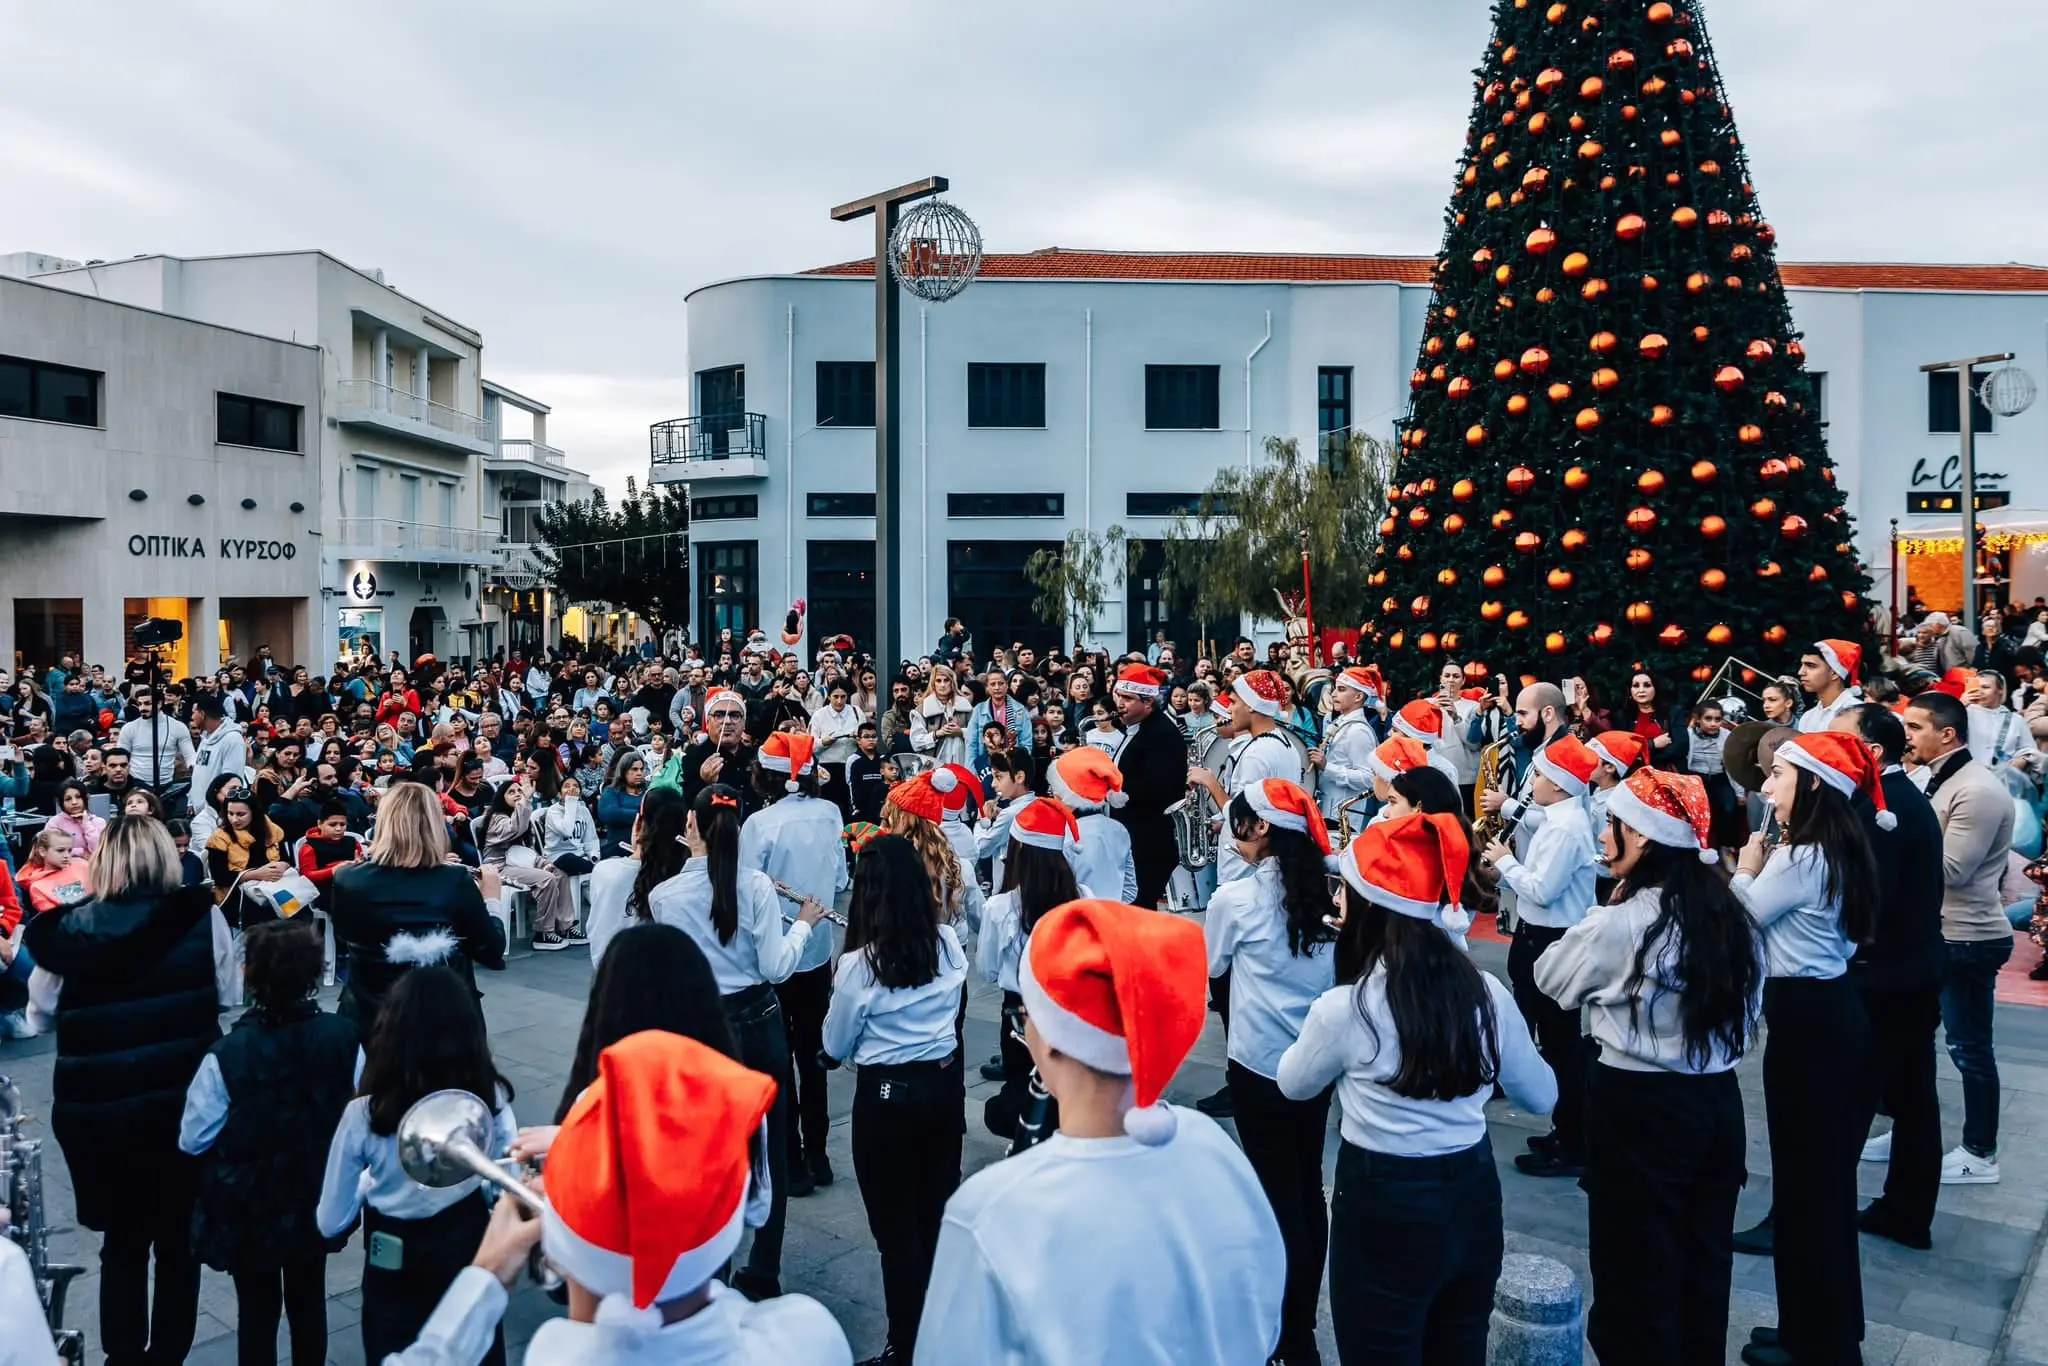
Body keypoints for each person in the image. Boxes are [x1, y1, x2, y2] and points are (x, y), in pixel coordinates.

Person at [917, 898, 1285, 1365]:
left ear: (1049, 1044)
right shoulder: (1218, 1152)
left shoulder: (989, 1212)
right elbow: (1264, 1311)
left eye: (1026, 1020)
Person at [1277, 813, 1553, 1364]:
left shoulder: (1346, 1007)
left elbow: (1293, 1085)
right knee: (1459, 1346)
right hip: (1471, 1190)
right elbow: (1542, 1096)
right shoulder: (1487, 993)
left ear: (1369, 909)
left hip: (1382, 1195)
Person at [1533, 769, 1765, 1366]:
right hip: (1715, 1102)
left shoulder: (1622, 924)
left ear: (1641, 837)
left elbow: (1551, 978)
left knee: (1634, 1262)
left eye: (1613, 825)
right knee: (1703, 1257)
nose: (1604, 838)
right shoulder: (1733, 916)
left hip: (1638, 1102)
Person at [24, 816, 240, 1366]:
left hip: (99, 1107)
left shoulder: (67, 931)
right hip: (182, 1100)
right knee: (177, 1243)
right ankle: (168, 1355)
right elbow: (226, 993)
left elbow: (41, 1015)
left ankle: (122, 1357)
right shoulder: (200, 917)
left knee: (122, 1243)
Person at [642, 783, 829, 1301]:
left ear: (691, 828)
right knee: (770, 1150)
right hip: (758, 1019)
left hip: (701, 1025)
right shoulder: (755, 887)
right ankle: (764, 1268)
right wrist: (804, 927)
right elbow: (775, 966)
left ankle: (712, 1269)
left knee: (707, 1154)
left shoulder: (665, 896)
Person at [1730, 732, 1880, 1366]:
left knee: (1808, 1187)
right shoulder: (1836, 849)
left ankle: (1817, 1343)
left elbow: (1744, 920)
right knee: (1817, 1186)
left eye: (1780, 776)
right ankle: (1821, 1327)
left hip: (1810, 1028)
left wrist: (1743, 868)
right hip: (1829, 1019)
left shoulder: (1802, 859)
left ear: (1814, 784)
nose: (1767, 786)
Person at [317, 965, 516, 1366]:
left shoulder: (365, 1114)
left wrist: (368, 1184)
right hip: (468, 1250)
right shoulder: (489, 1098)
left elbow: (330, 1219)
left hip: (394, 1263)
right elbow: (506, 1185)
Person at [181, 919, 359, 1366]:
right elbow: (363, 1108)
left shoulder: (227, 1053)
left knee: (257, 1308)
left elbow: (194, 1136)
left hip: (248, 1200)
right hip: (316, 1190)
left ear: (251, 975)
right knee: (308, 1297)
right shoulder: (344, 1037)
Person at [1202, 778, 1336, 1366]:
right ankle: (1300, 1323)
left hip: (1258, 1066)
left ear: (1259, 828)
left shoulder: (1235, 898)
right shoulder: (1329, 892)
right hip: (1317, 1063)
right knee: (1308, 1184)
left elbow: (1212, 964)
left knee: (1277, 1196)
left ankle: (1288, 1335)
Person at [821, 835, 968, 1365]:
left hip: (887, 1098)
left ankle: (905, 1345)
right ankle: (942, 1328)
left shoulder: (860, 965)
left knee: (896, 1232)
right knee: (935, 1216)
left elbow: (834, 1044)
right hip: (945, 1089)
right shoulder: (947, 942)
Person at [1832, 704, 1947, 1250]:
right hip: (1910, 973)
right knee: (1913, 1098)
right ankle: (1906, 1210)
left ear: (1871, 753)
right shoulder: (1891, 801)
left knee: (1851, 1101)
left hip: (1889, 980)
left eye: (1842, 741)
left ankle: (1818, 1213)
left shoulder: (1886, 809)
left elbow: (1867, 905)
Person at [1902, 688, 2017, 1185]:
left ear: (1946, 734)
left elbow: (1951, 869)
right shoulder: (1932, 777)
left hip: (1968, 936)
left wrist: (1886, 854)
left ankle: (1980, 1151)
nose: (1905, 737)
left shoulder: (1979, 789)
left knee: (1969, 1048)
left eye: (1914, 728)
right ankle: (1909, 1131)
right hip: (1936, 932)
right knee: (1911, 1041)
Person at [1482, 733, 1602, 1178]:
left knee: (1560, 1045)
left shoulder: (1566, 827)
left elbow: (1542, 890)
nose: (1534, 781)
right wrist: (1510, 810)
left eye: (1542, 775)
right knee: (1555, 1040)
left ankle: (1572, 1140)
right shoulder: (1560, 814)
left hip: (1551, 939)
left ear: (1559, 784)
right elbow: (1535, 820)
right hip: (1541, 936)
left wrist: (1504, 862)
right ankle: (1564, 1131)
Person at [742, 733, 852, 1198]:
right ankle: (819, 1154)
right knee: (813, 1053)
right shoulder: (830, 813)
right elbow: (842, 875)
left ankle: (791, 1160)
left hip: (775, 950)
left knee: (779, 1056)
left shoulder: (759, 824)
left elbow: (747, 888)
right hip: (819, 948)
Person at [325, 781, 509, 1027]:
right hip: (444, 1015)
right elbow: (491, 951)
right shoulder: (454, 881)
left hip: (370, 1012)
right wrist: (492, 899)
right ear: (433, 825)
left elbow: (345, 933)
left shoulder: (348, 878)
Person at [1109, 664, 1188, 911]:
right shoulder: (1138, 728)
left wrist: (1119, 793)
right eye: (1119, 696)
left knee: (1139, 906)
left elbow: (1160, 787)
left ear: (1148, 703)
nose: (1120, 704)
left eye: (1128, 699)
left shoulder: (1160, 734)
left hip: (1149, 840)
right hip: (1135, 834)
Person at [479, 774, 582, 952]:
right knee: (547, 879)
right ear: (502, 798)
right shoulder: (497, 818)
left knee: (559, 873)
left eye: (519, 790)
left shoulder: (521, 815)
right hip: (499, 868)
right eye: (511, 792)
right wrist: (525, 799)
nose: (517, 794)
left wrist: (543, 863)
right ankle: (543, 932)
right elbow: (514, 828)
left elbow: (527, 852)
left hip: (518, 865)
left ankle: (565, 926)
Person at [1049, 746, 1138, 904]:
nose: (1053, 797)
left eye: (1054, 791)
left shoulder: (1064, 837)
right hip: (1112, 919)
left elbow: (1055, 896)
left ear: (1068, 796)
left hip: (1076, 922)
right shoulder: (1119, 830)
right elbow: (1130, 891)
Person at [1313, 666, 1382, 829]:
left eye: (1341, 690)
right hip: (1329, 810)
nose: (1334, 695)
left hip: (1344, 818)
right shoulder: (1341, 723)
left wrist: (1326, 767)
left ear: (1358, 696)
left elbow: (1368, 779)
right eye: (1335, 689)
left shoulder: (1358, 731)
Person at [204, 792, 291, 916]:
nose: (234, 819)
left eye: (241, 814)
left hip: (273, 888)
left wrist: (283, 865)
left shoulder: (271, 830)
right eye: (230, 813)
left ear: (254, 813)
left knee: (295, 909)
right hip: (237, 896)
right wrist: (253, 875)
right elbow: (220, 877)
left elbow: (287, 860)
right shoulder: (219, 838)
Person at [809, 681, 865, 820]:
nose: (839, 701)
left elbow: (866, 734)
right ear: (829, 696)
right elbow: (810, 744)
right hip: (828, 767)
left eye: (843, 697)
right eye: (835, 696)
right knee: (829, 804)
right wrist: (823, 742)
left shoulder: (856, 712)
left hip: (851, 765)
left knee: (851, 805)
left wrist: (858, 737)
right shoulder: (819, 715)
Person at [1795, 639, 1866, 734]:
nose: (1801, 672)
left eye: (1811, 666)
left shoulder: (1858, 713)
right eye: (1802, 665)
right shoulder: (1807, 717)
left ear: (1834, 673)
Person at [539, 774, 602, 876]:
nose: (572, 788)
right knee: (569, 858)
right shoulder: (553, 811)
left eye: (575, 786)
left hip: (580, 855)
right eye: (567, 786)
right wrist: (571, 802)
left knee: (614, 846)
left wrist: (594, 856)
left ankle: (595, 867)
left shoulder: (583, 810)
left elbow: (591, 839)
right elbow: (567, 830)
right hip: (557, 856)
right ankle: (597, 870)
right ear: (559, 794)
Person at [46, 780, 106, 858]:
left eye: (78, 797)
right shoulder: (55, 823)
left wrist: (86, 824)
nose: (74, 802)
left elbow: (99, 850)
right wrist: (80, 851)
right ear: (61, 802)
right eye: (68, 799)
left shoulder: (98, 822)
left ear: (86, 798)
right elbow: (49, 850)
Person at [847, 722, 893, 824]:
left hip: (882, 810)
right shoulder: (853, 760)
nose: (871, 740)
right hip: (862, 810)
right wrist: (855, 808)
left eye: (874, 736)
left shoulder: (883, 760)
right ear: (858, 740)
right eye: (866, 737)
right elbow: (851, 786)